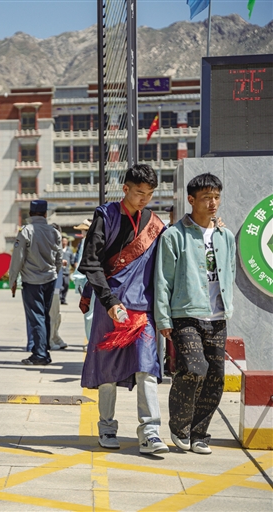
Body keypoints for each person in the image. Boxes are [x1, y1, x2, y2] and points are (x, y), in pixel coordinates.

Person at [78, 164, 168, 455]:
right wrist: (109, 301)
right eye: (139, 192)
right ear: (125, 188)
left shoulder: (156, 225)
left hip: (143, 311)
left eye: (149, 194)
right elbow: (90, 262)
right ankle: (106, 427)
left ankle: (150, 433)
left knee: (147, 369)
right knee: (108, 372)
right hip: (111, 307)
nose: (144, 199)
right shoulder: (106, 216)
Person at [155, 173, 235, 455]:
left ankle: (200, 433)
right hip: (185, 314)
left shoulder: (225, 236)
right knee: (194, 369)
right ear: (191, 200)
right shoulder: (174, 235)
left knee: (215, 377)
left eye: (216, 197)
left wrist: (227, 305)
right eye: (206, 198)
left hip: (217, 317)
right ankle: (180, 426)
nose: (213, 203)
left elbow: (229, 272)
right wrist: (163, 318)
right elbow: (163, 279)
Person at [8, 200, 62, 366]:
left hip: (32, 281)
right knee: (45, 315)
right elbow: (59, 258)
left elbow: (18, 258)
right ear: (45, 214)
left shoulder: (26, 231)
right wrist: (53, 272)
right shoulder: (54, 232)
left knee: (36, 316)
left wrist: (13, 280)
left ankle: (40, 354)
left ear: (30, 214)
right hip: (50, 279)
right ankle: (44, 350)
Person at [70, 220, 93, 348]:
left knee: (89, 312)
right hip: (90, 279)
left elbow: (80, 263)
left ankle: (91, 340)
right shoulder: (86, 241)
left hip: (87, 280)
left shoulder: (86, 241)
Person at [49, 224, 68, 351]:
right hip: (51, 284)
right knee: (52, 314)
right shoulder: (49, 245)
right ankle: (49, 340)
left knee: (56, 315)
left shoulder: (56, 244)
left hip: (57, 285)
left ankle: (55, 336)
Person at [60, 235, 74, 305]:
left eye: (65, 241)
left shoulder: (69, 250)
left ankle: (63, 299)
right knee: (59, 286)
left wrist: (74, 266)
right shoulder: (59, 249)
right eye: (63, 241)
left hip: (66, 271)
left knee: (66, 285)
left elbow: (72, 260)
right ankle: (59, 298)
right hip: (59, 271)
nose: (64, 242)